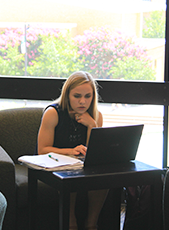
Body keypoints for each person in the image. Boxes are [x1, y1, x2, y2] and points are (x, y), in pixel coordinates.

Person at [37, 71, 108, 230]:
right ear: (67, 94)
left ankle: (91, 224)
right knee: (71, 175)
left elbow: (93, 152)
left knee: (103, 178)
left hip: (82, 165)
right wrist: (71, 151)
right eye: (77, 96)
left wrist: (92, 126)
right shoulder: (53, 113)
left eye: (88, 96)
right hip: (56, 164)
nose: (83, 101)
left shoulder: (96, 116)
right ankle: (71, 223)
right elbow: (42, 150)